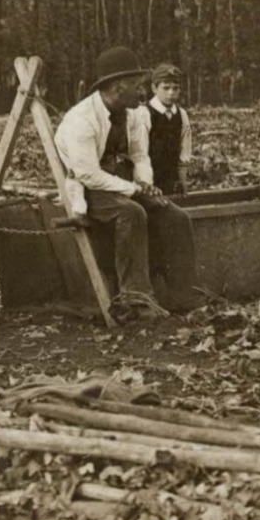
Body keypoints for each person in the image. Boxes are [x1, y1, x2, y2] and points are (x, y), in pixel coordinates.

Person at [56, 47, 198, 319]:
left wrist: (145, 182)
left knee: (176, 216)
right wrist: (133, 190)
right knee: (131, 212)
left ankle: (183, 295)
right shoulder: (81, 119)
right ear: (119, 87)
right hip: (89, 189)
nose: (143, 93)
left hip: (123, 182)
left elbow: (139, 155)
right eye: (138, 86)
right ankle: (136, 298)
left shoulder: (133, 113)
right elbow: (87, 173)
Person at [130, 64, 193, 196]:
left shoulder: (181, 115)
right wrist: (146, 185)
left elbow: (184, 151)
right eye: (166, 88)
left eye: (175, 88)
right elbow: (139, 154)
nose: (171, 93)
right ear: (154, 88)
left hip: (171, 181)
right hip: (147, 181)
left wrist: (182, 179)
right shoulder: (144, 114)